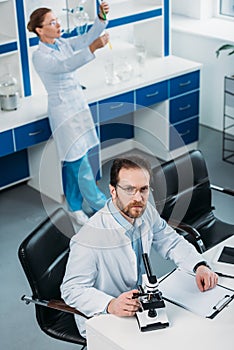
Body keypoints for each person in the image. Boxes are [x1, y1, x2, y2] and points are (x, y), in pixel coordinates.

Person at [61, 155, 218, 337]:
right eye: (129, 189)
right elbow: (72, 289)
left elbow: (171, 242)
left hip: (141, 301)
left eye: (143, 189)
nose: (138, 198)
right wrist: (110, 304)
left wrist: (198, 265)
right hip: (107, 315)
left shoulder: (144, 212)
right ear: (113, 191)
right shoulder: (89, 238)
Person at [27, 3, 110, 226]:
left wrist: (101, 18)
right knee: (79, 163)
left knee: (76, 160)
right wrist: (93, 48)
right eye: (52, 23)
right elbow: (65, 65)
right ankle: (100, 205)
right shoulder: (40, 57)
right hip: (63, 112)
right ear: (39, 30)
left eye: (57, 20)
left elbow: (85, 39)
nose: (58, 25)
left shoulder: (61, 43)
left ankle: (74, 206)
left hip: (77, 107)